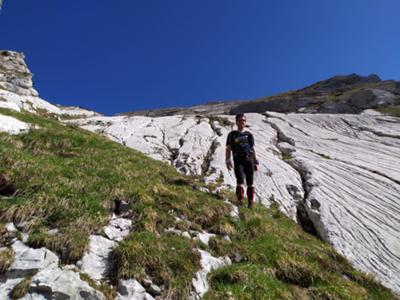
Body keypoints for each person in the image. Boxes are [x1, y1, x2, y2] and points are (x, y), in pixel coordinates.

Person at [225, 113, 259, 208]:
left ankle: (250, 203)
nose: (242, 122)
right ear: (236, 122)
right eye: (240, 120)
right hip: (238, 159)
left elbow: (252, 148)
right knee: (239, 180)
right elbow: (228, 148)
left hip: (249, 158)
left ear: (245, 121)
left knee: (250, 181)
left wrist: (255, 161)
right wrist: (227, 160)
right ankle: (240, 201)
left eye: (243, 120)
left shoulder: (249, 135)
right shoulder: (232, 134)